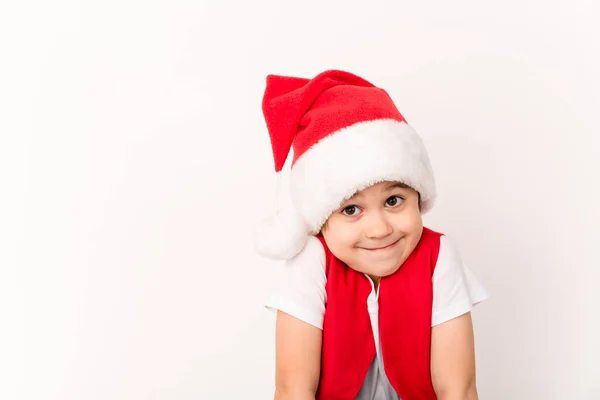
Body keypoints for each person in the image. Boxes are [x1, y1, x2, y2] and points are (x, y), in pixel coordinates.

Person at [253, 69, 488, 400]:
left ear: (418, 197)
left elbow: (458, 389)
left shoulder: (439, 256)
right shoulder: (311, 262)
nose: (379, 230)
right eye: (351, 210)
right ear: (322, 221)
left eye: (394, 201)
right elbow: (293, 389)